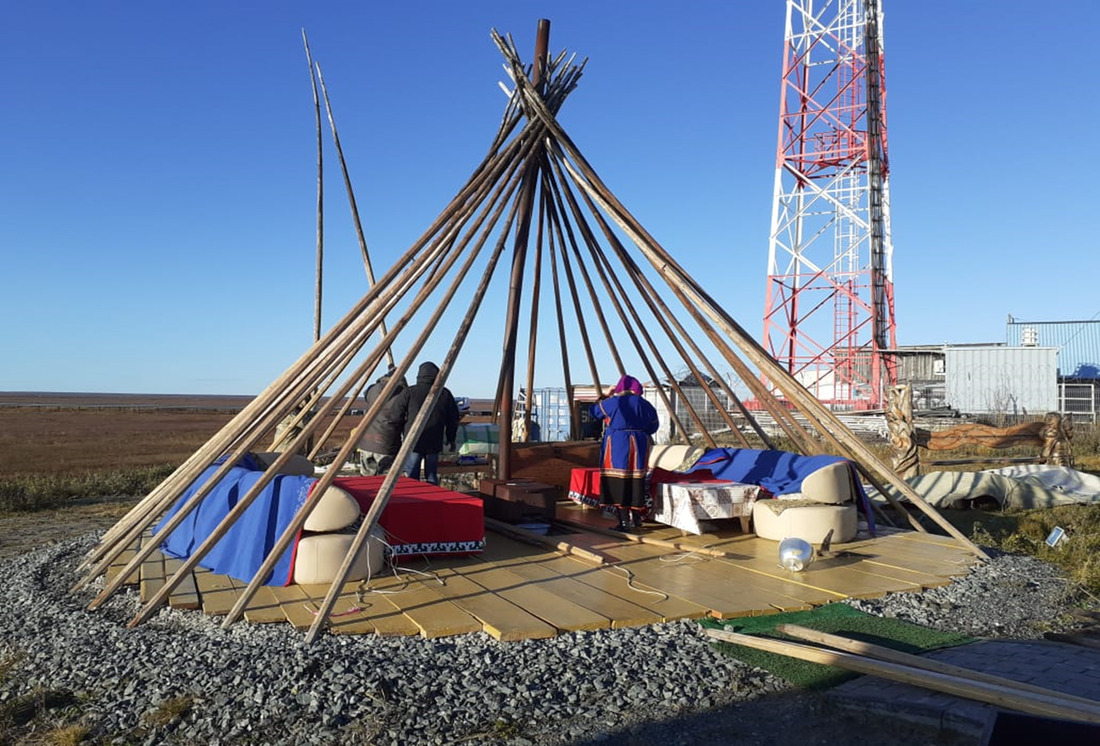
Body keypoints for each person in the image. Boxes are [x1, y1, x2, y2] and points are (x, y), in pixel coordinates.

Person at [591, 374, 659, 531]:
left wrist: (606, 395)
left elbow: (595, 412)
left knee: (619, 479)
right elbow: (653, 426)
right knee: (636, 479)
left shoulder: (613, 402)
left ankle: (623, 522)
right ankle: (637, 520)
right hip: (639, 444)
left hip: (618, 443)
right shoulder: (645, 405)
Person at [389, 361, 460, 485]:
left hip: (413, 441)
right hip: (434, 440)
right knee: (431, 475)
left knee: (412, 476)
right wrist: (451, 439)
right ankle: (432, 501)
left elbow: (396, 416)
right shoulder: (444, 394)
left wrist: (397, 437)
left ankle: (414, 501)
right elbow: (453, 419)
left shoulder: (409, 392)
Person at [356, 367, 407, 476]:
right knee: (382, 480)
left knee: (366, 479)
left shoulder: (374, 389)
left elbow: (366, 394)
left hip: (367, 441)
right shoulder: (403, 394)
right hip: (387, 442)